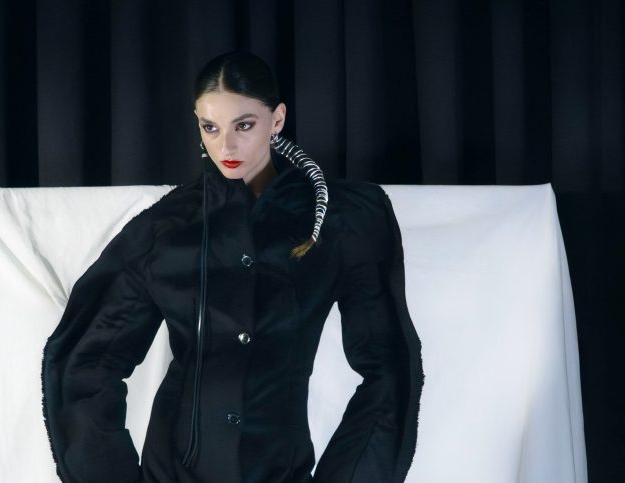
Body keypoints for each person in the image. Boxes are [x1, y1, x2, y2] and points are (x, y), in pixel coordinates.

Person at [41, 51, 424, 483]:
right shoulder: (166, 230)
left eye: (244, 125)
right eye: (211, 127)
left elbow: (389, 368)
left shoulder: (342, 223)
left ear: (277, 119)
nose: (226, 146)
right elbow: (86, 361)